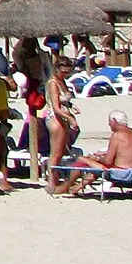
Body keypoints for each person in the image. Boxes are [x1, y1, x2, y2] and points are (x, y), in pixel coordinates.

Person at [61, 112, 132, 195]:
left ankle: (65, 186)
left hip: (121, 173)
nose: (109, 124)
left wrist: (96, 158)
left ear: (114, 121)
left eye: (109, 121)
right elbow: (124, 152)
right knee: (94, 166)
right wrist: (102, 155)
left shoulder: (117, 135)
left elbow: (108, 161)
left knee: (82, 159)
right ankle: (75, 188)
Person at [45, 57, 80, 192]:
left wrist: (71, 106)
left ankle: (55, 179)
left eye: (68, 72)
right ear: (57, 69)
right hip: (55, 118)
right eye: (64, 72)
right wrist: (70, 118)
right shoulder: (53, 83)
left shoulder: (62, 81)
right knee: (56, 153)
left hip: (62, 118)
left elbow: (63, 101)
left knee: (60, 152)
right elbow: (56, 107)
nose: (66, 75)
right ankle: (51, 183)